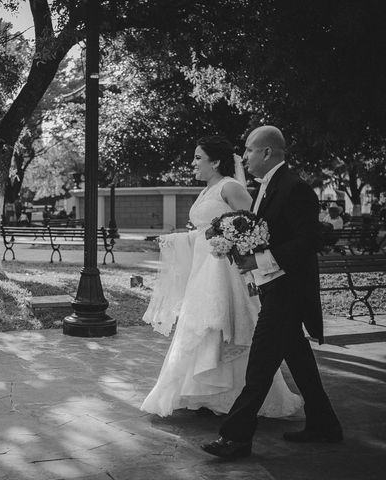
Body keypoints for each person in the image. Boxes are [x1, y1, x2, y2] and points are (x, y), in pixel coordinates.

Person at [202, 126, 342, 460]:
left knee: (260, 365)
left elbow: (309, 240)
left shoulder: (296, 188)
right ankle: (325, 425)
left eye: (249, 150)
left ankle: (236, 437)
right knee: (300, 361)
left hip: (288, 293)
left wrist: (260, 258)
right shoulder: (267, 187)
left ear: (267, 152)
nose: (245, 156)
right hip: (274, 287)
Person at [142, 136, 302, 419]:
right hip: (203, 272)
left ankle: (235, 396)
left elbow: (253, 228)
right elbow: (204, 233)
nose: (193, 163)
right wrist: (171, 240)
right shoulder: (207, 190)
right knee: (201, 330)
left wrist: (241, 255)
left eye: (198, 157)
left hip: (225, 272)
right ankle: (204, 395)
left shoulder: (231, 187)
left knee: (226, 329)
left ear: (215, 161)